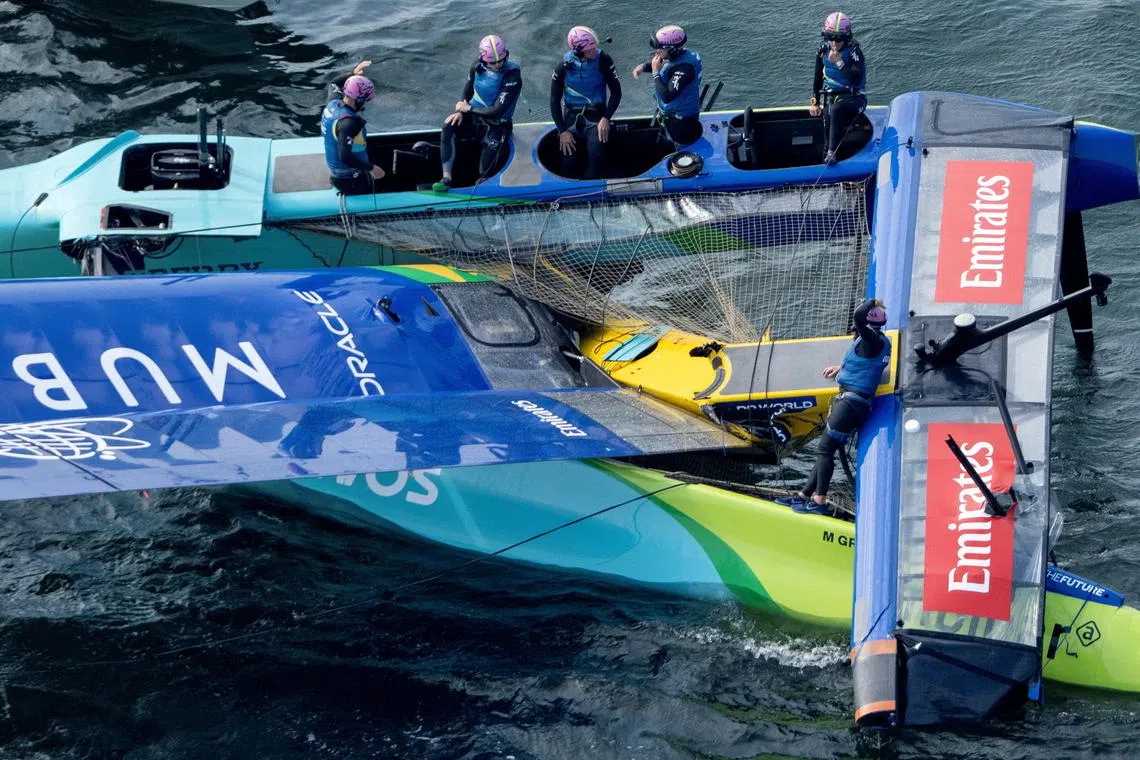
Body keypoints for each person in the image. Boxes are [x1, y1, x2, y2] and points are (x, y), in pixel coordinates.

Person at [777, 298, 891, 515]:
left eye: (855, 330)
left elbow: (859, 318)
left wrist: (872, 303)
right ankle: (803, 496)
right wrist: (842, 368)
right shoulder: (875, 343)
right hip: (852, 402)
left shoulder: (871, 341)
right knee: (825, 449)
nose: (852, 333)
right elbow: (868, 364)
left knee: (825, 450)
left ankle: (819, 500)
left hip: (850, 405)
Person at [431, 34, 522, 192]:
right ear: (484, 59)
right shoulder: (476, 66)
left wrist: (468, 109)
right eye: (493, 62)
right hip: (474, 114)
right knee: (448, 125)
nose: (499, 64)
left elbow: (497, 111)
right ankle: (446, 178)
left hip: (498, 123)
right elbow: (467, 91)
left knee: (484, 168)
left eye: (502, 59)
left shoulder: (512, 75)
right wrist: (460, 111)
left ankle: (482, 185)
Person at [550, 25, 622, 180]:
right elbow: (554, 100)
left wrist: (606, 118)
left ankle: (591, 187)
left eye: (594, 46)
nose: (594, 51)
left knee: (596, 156)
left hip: (596, 114)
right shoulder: (562, 66)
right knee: (567, 160)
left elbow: (616, 93)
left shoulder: (603, 59)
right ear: (578, 51)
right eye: (590, 49)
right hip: (571, 114)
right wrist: (562, 131)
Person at [809, 11, 866, 165]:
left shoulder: (854, 51)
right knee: (828, 117)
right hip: (832, 97)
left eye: (838, 39)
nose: (834, 43)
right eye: (830, 38)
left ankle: (832, 153)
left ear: (846, 37)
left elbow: (856, 78)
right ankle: (826, 165)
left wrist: (840, 63)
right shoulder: (823, 50)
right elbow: (818, 76)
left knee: (835, 110)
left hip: (854, 98)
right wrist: (815, 101)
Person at [320, 61, 385, 195]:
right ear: (360, 100)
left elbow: (333, 83)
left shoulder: (334, 102)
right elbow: (345, 157)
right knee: (369, 190)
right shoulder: (348, 124)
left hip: (340, 169)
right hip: (348, 179)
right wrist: (371, 168)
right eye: (366, 100)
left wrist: (354, 73)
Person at [632, 25, 703, 147]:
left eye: (660, 49)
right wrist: (644, 67)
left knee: (681, 151)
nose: (656, 52)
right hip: (672, 117)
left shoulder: (685, 69)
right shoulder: (677, 56)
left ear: (672, 49)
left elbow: (667, 96)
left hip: (682, 125)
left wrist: (655, 73)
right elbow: (665, 66)